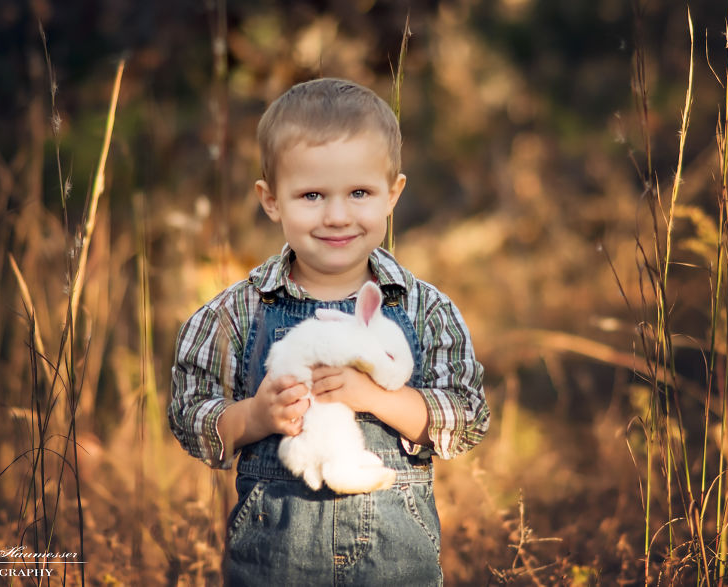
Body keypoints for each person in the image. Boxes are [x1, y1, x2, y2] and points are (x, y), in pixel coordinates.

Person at [168, 77, 489, 585]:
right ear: (271, 201)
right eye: (312, 194)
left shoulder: (426, 309)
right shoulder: (239, 311)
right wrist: (255, 415)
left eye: (359, 192)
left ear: (393, 194)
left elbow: (466, 418)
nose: (337, 216)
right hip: (274, 563)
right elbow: (190, 416)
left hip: (394, 565)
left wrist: (375, 396)